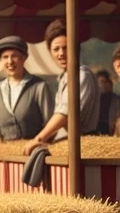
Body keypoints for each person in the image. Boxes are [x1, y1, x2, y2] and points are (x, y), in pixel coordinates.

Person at [23, 19, 101, 154]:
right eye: (56, 49)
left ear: (76, 48)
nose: (61, 53)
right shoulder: (64, 77)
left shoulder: (81, 75)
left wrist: (39, 138)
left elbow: (65, 113)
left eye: (66, 48)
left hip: (83, 145)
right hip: (66, 143)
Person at [0, 36, 53, 144]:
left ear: (24, 57)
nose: (10, 61)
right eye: (5, 57)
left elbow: (49, 124)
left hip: (35, 152)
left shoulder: (39, 86)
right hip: (6, 154)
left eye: (14, 56)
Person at [96, 70, 120, 136]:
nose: (101, 85)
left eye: (103, 82)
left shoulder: (116, 100)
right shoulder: (94, 100)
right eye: (99, 82)